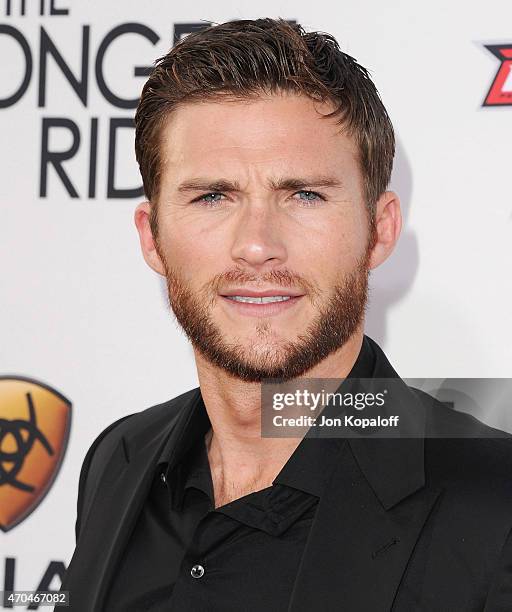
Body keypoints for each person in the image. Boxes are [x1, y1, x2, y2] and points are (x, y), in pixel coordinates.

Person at [60, 18, 512, 611]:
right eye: (213, 196)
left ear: (379, 230)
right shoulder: (118, 461)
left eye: (304, 195)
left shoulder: (495, 500)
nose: (256, 244)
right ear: (152, 238)